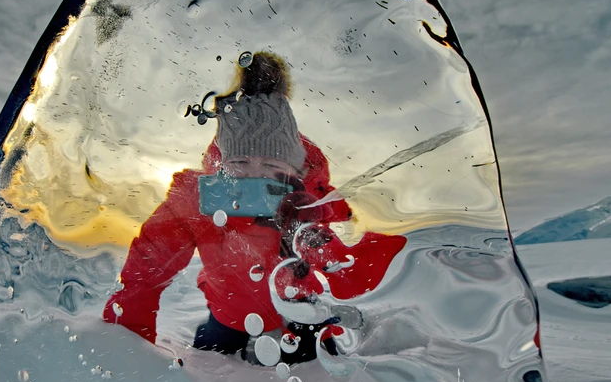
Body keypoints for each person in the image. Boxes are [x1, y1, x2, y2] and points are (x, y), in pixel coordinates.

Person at [103, 51, 406, 364]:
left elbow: (343, 261)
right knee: (210, 361)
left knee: (319, 365)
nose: (254, 175)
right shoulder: (197, 200)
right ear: (222, 162)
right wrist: (126, 338)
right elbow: (148, 264)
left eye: (271, 166)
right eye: (241, 163)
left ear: (293, 170)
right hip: (228, 312)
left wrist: (315, 223)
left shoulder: (308, 200)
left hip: (296, 311)